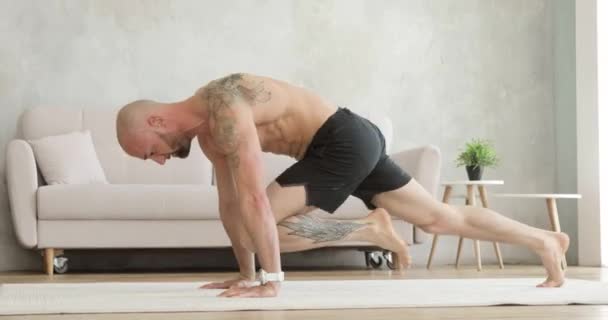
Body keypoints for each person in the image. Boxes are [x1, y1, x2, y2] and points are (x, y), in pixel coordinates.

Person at [116, 73, 569, 298]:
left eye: (150, 149)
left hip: (341, 140)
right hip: (346, 143)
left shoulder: (225, 108)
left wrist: (271, 279)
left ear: (157, 121)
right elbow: (231, 206)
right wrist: (246, 272)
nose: (158, 160)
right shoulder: (211, 137)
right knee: (438, 218)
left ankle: (368, 231)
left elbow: (255, 199)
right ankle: (545, 240)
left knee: (261, 222)